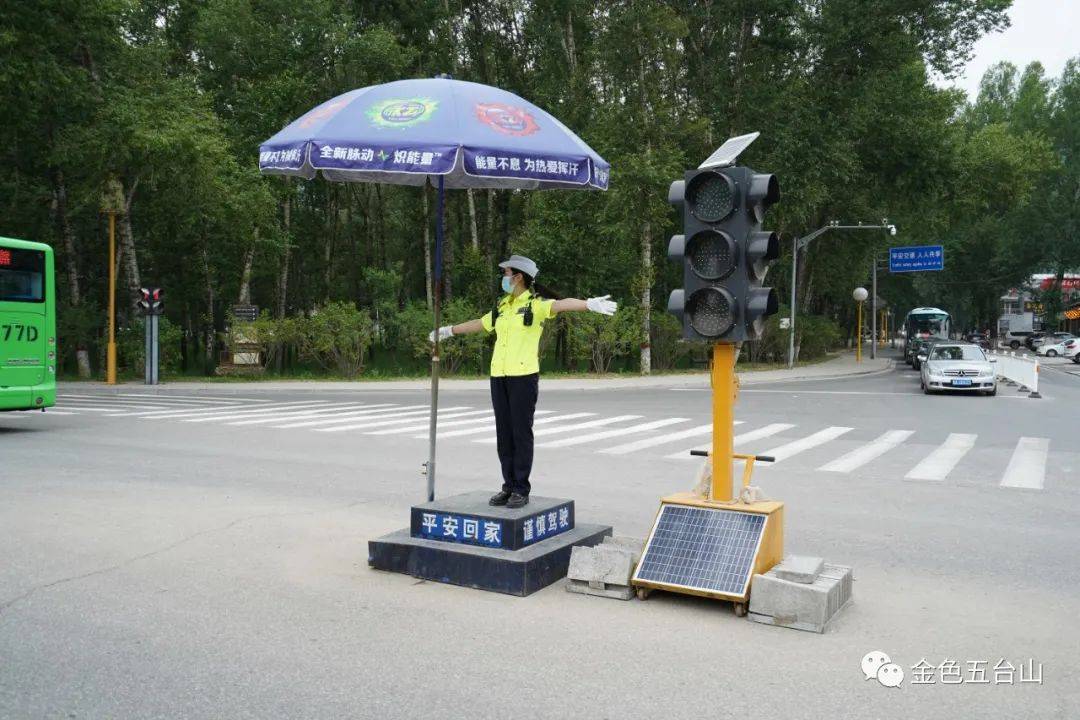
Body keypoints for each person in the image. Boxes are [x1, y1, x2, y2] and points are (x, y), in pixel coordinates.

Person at [429, 255, 617, 509]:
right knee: (504, 435)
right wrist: (449, 331)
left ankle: (521, 488)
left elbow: (561, 304)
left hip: (523, 378)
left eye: (506, 273)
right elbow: (480, 324)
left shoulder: (535, 305)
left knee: (520, 433)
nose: (503, 278)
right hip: (499, 377)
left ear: (517, 277)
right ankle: (508, 486)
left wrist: (589, 304)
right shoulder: (503, 306)